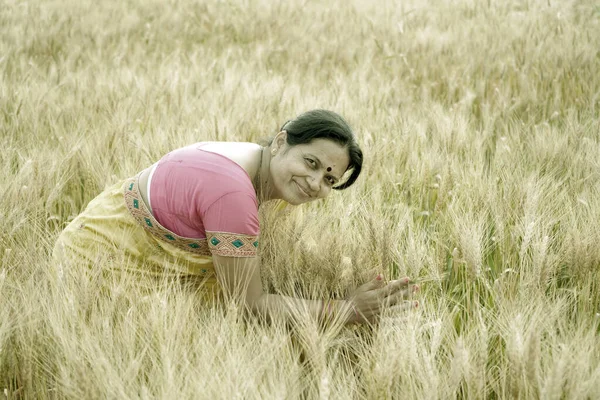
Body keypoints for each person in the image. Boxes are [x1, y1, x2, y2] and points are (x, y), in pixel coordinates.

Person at [52, 109, 419, 325]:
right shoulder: (233, 192)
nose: (314, 183)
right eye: (310, 162)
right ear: (279, 142)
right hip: (101, 263)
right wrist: (347, 310)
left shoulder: (259, 167)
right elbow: (247, 304)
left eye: (329, 178)